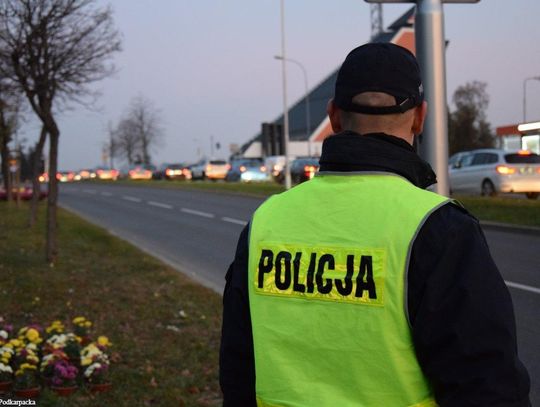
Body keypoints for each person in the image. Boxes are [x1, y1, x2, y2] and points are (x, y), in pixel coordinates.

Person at [220, 43, 530, 407]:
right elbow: (488, 387)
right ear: (419, 118)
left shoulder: (266, 222)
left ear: (334, 117)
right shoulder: (439, 228)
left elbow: (238, 373)